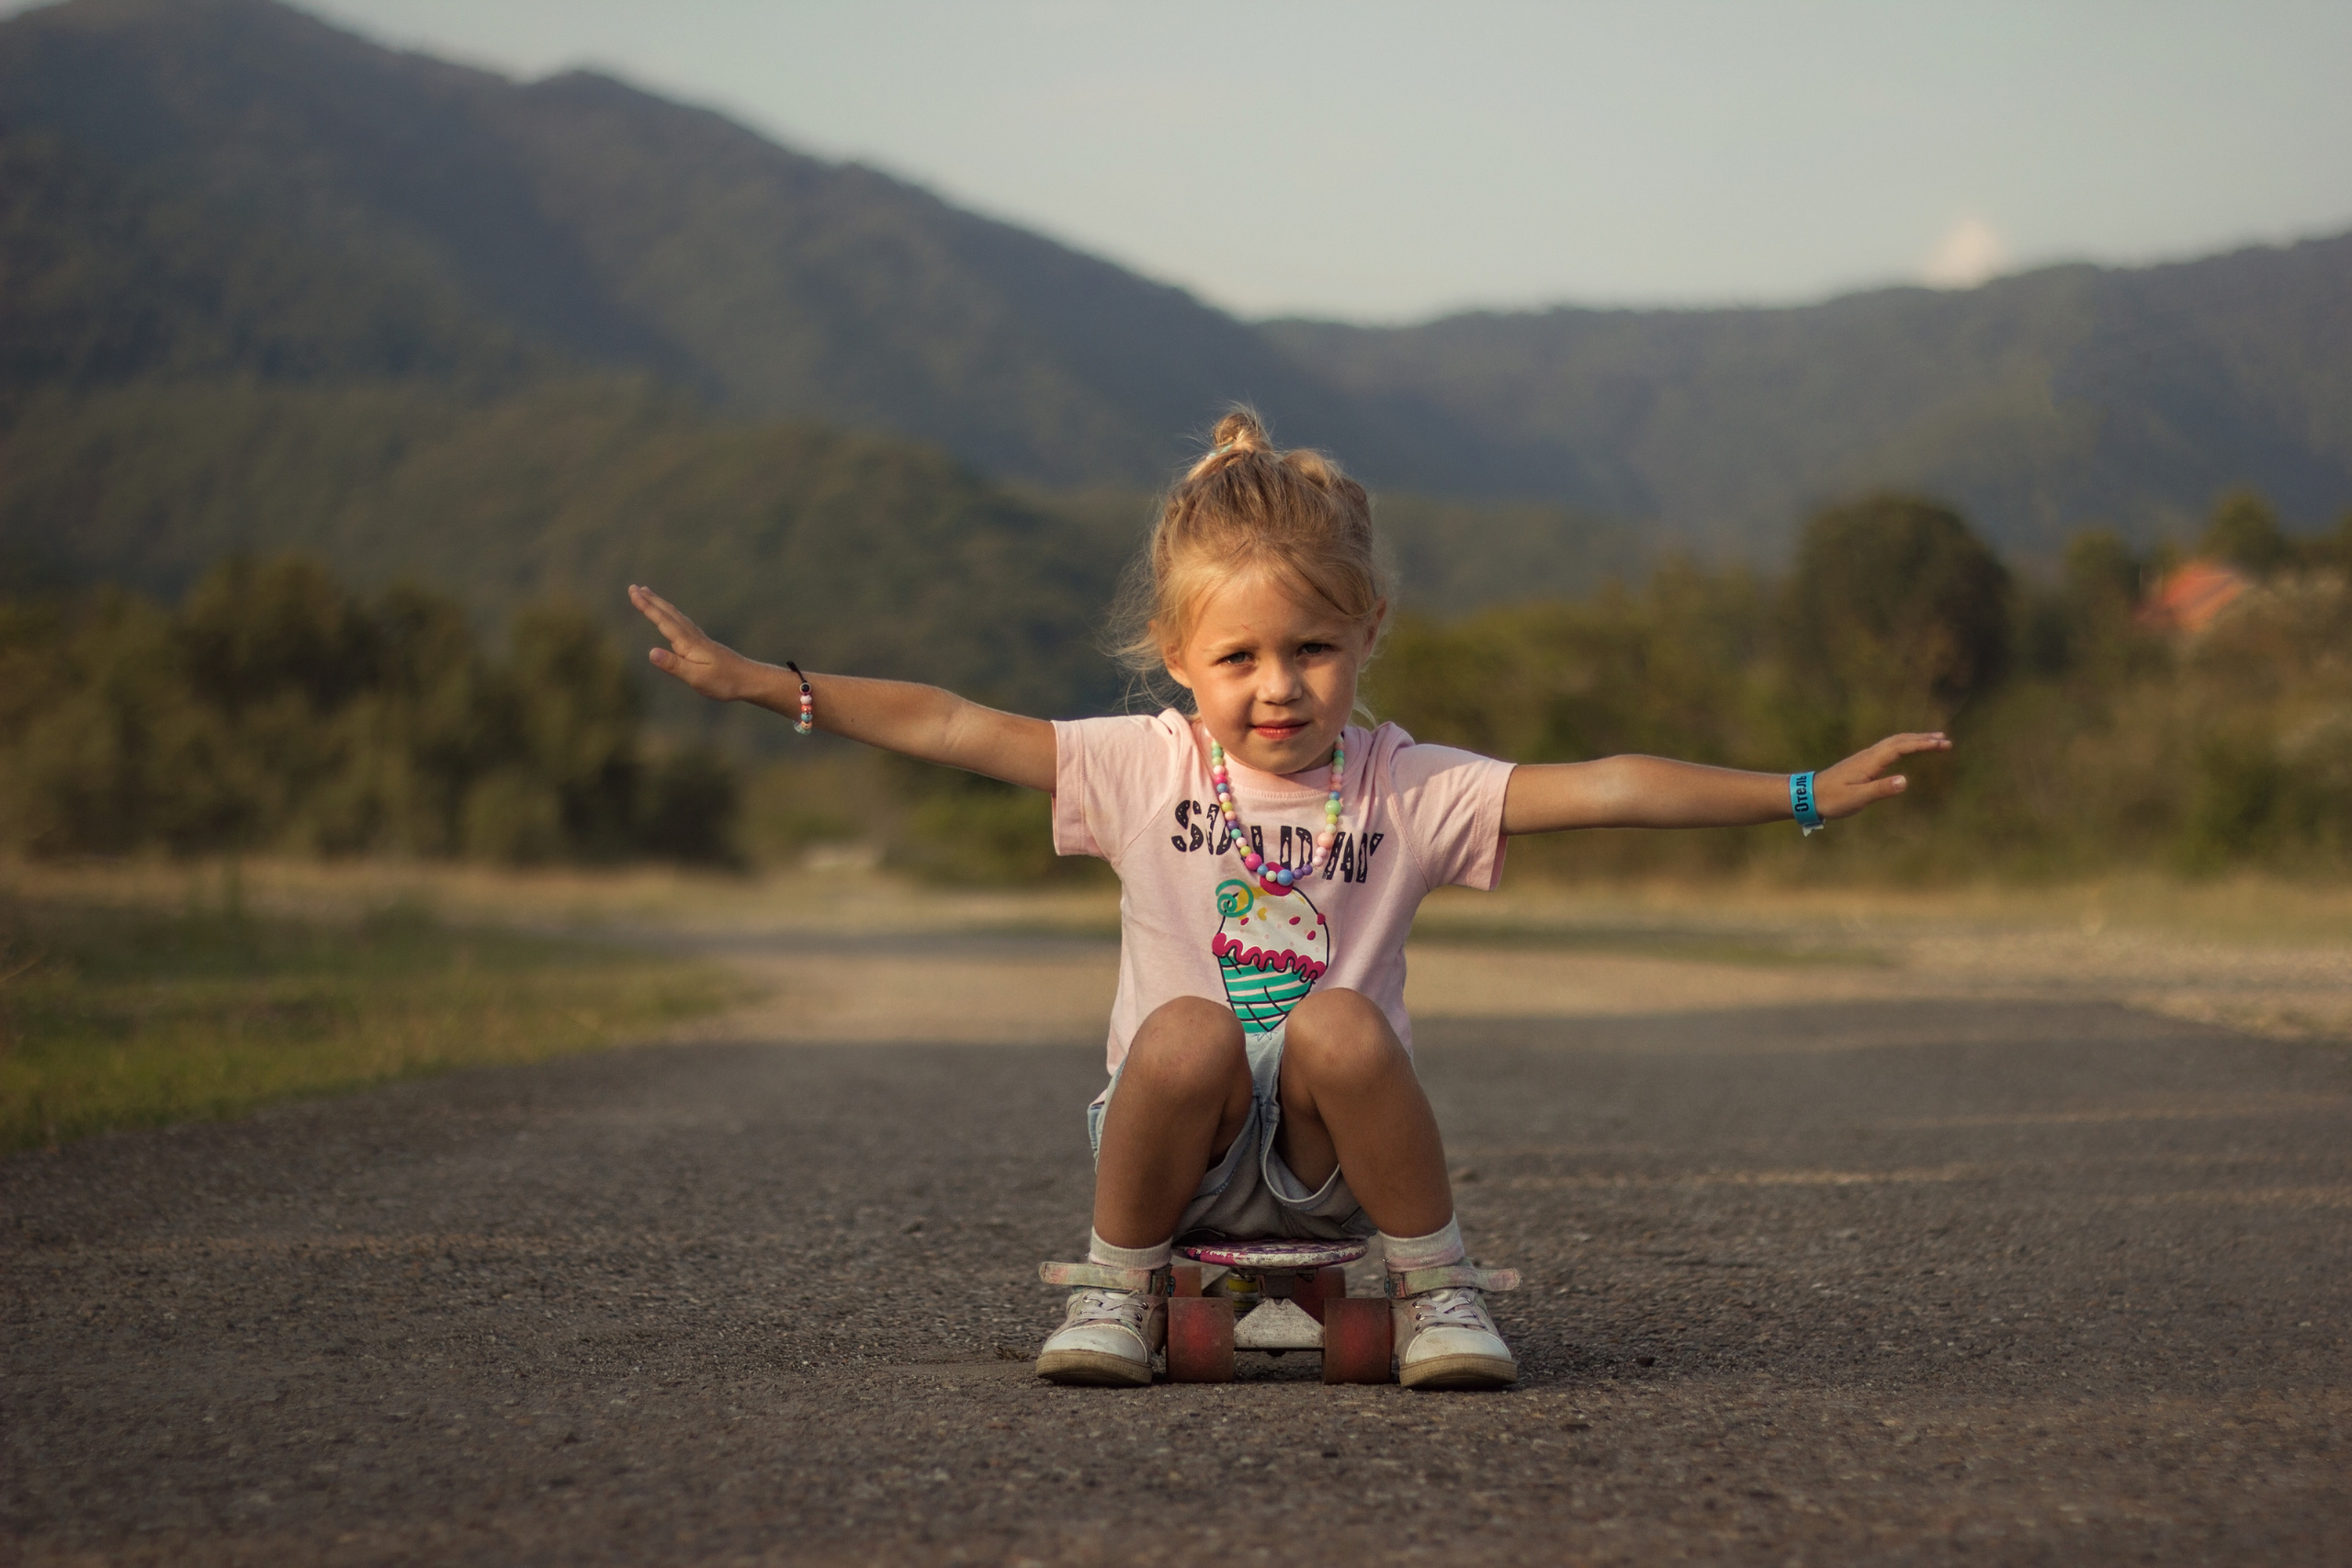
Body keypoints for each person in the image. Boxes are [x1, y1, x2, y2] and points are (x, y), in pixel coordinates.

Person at [628, 409, 1949, 1392]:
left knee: (1340, 1026)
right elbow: (953, 721)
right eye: (1241, 656)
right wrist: (774, 686)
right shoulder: (1138, 765)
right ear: (1177, 659)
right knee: (1188, 1027)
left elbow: (1605, 784)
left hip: (1331, 1171)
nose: (1280, 686)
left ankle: (1438, 1288)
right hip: (1172, 1157)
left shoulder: (1405, 786)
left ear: (1369, 631)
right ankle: (1118, 1287)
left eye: (1313, 649)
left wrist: (1802, 793)